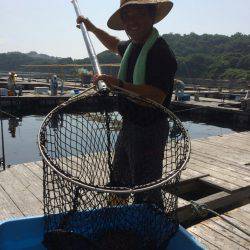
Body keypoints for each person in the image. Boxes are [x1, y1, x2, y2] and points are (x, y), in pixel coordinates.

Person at [77, 0, 177, 207]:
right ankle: (116, 217)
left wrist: (119, 84)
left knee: (146, 186)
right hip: (129, 125)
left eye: (138, 14)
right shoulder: (133, 46)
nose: (132, 21)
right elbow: (114, 43)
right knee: (119, 180)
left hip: (150, 129)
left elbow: (157, 96)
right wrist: (93, 28)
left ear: (151, 16)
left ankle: (149, 227)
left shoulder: (160, 51)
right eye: (127, 16)